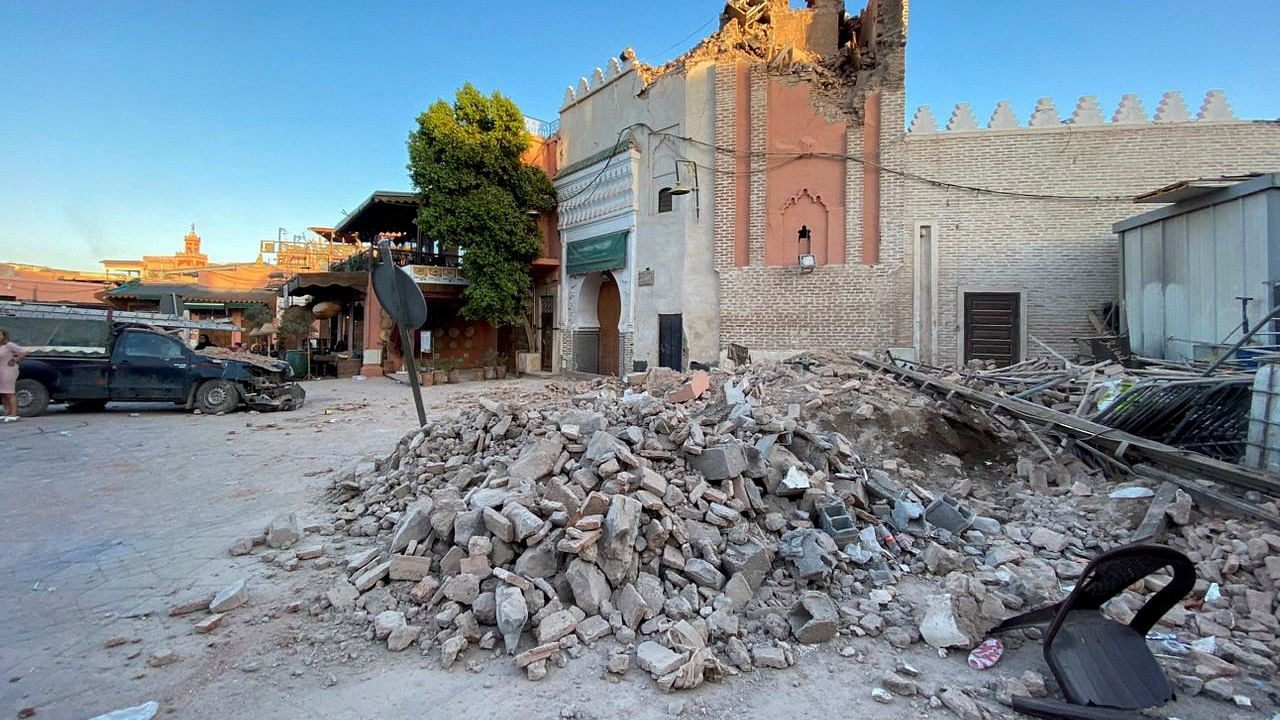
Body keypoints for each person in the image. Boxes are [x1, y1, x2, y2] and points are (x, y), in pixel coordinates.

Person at [0, 328, 28, 422]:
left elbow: (23, 352)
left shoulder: (9, 345)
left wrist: (15, 360)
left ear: (4, 336)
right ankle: (7, 413)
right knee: (3, 393)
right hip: (0, 371)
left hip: (8, 370)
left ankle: (14, 414)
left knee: (9, 392)